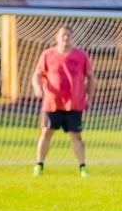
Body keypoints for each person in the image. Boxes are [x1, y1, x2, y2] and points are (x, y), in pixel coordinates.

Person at [31, 25, 96, 177]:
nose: (65, 38)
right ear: (57, 37)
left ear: (72, 37)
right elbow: (37, 75)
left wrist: (89, 97)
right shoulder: (47, 55)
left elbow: (91, 77)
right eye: (63, 35)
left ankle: (82, 167)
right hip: (52, 103)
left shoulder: (81, 56)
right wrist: (37, 88)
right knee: (46, 132)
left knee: (76, 135)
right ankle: (39, 165)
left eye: (68, 35)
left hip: (74, 103)